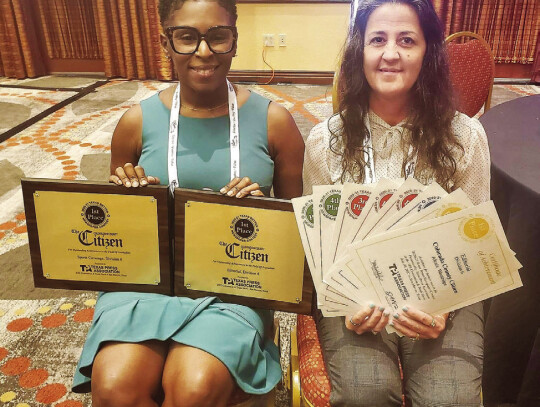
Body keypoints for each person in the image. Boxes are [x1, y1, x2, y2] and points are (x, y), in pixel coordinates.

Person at [71, 0, 304, 405]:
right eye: (186, 37)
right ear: (165, 42)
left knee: (193, 389)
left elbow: (299, 231)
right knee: (114, 387)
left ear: (234, 40)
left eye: (217, 36)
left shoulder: (275, 122)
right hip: (148, 281)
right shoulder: (135, 122)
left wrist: (262, 214)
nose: (203, 51)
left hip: (232, 280)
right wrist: (127, 197)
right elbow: (116, 230)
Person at [303, 0, 490, 406]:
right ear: (360, 52)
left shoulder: (466, 137)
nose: (391, 54)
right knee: (364, 395)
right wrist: (349, 302)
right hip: (357, 297)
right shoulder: (325, 141)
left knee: (449, 400)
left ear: (429, 52)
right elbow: (319, 248)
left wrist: (444, 307)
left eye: (407, 40)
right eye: (377, 40)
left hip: (443, 291)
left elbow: (475, 243)